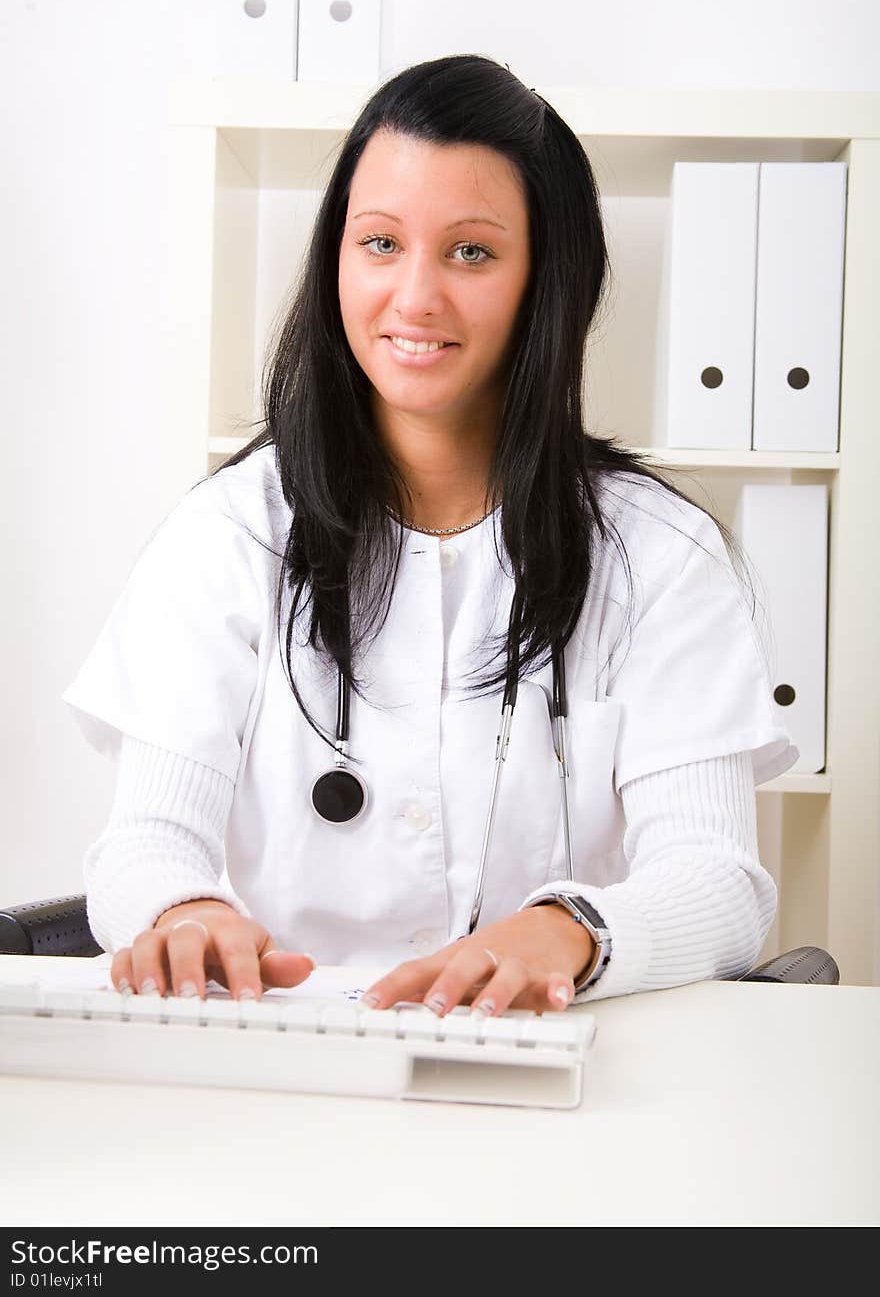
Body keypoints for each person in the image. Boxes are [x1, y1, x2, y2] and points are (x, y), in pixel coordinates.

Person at [63, 54, 798, 1019]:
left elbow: (719, 884)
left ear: (547, 280)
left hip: (562, 1076)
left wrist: (572, 930)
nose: (413, 297)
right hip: (290, 1074)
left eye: (471, 252)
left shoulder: (657, 554)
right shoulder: (231, 533)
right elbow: (143, 842)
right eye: (379, 243)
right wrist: (184, 908)